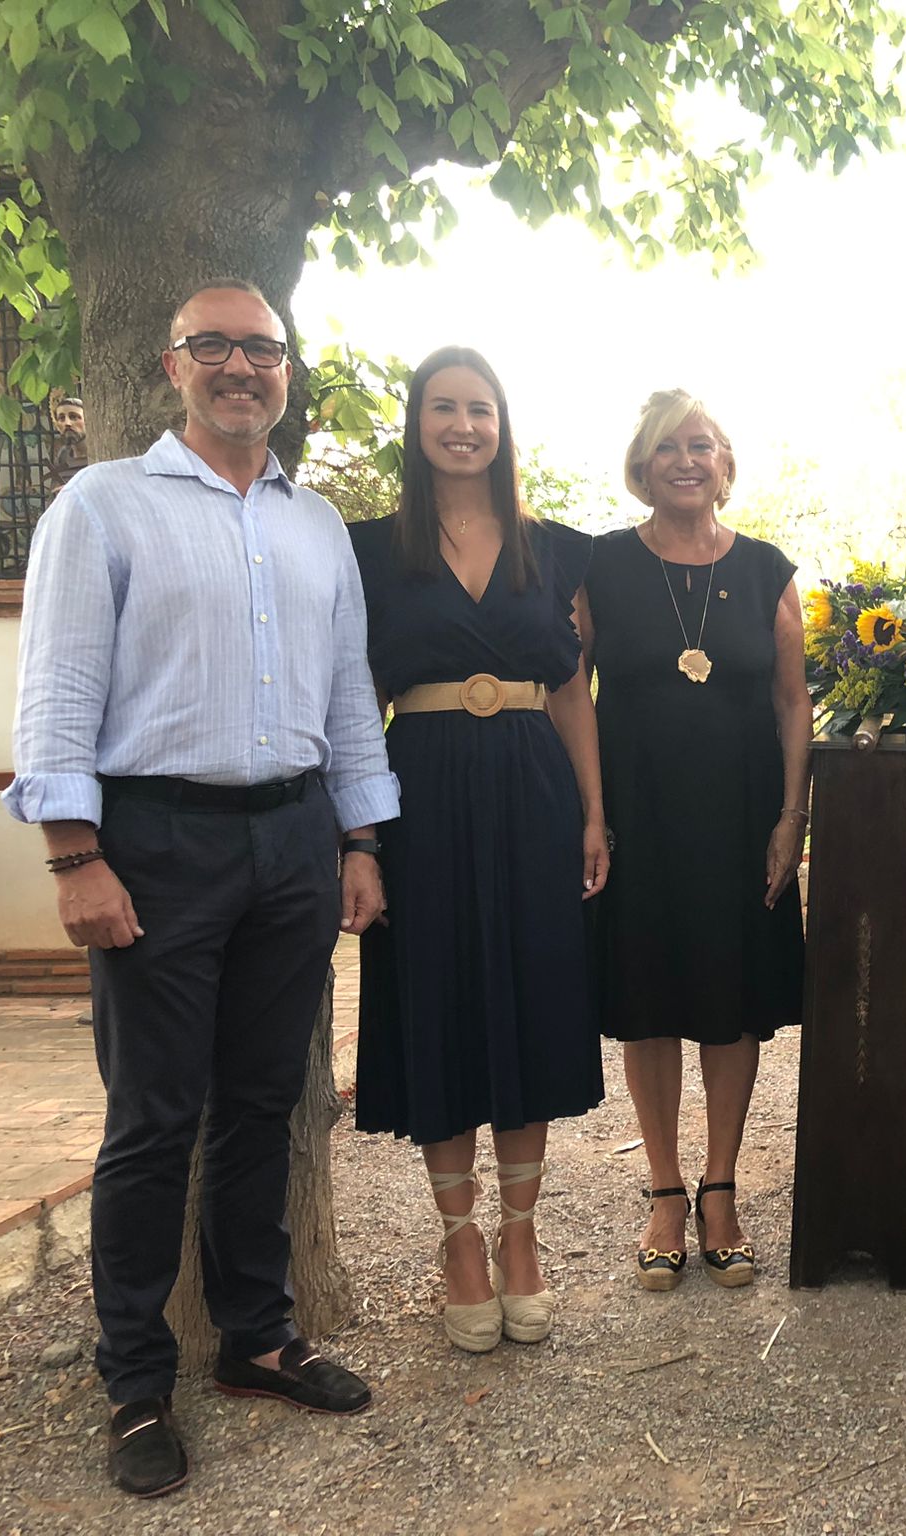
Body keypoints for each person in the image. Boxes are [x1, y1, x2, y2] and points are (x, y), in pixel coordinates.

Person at [3, 280, 397, 1499]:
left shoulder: (317, 524)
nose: (241, 366)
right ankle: (133, 1383)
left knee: (265, 1105)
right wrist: (76, 858)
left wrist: (360, 839)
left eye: (263, 349)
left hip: (291, 840)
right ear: (174, 365)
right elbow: (59, 691)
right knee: (152, 1120)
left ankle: (259, 1338)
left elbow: (345, 695)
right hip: (154, 844)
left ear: (286, 372)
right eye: (215, 346)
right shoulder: (102, 505)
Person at [347, 347, 607, 1353]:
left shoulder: (559, 550)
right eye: (444, 408)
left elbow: (576, 689)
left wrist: (593, 814)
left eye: (481, 409)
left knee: (533, 998)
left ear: (503, 427)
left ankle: (522, 1235)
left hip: (534, 792)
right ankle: (458, 1241)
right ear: (416, 425)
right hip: (418, 794)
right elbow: (350, 698)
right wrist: (356, 836)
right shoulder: (368, 549)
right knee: (441, 999)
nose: (463, 425)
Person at [583, 389, 811, 1291]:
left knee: (731, 996)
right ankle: (665, 1192)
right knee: (649, 998)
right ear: (643, 464)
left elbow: (792, 700)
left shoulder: (766, 569)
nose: (688, 460)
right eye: (670, 447)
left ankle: (721, 1188)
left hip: (743, 814)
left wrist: (792, 819)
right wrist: (591, 816)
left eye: (704, 446)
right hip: (639, 817)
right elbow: (572, 695)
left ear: (726, 465)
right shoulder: (597, 567)